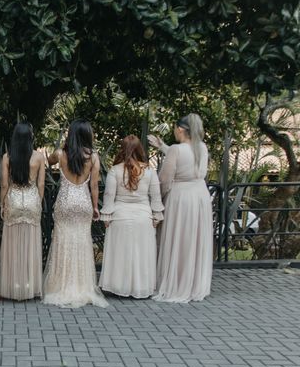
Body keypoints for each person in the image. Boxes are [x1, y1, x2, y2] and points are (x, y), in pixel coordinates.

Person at [43, 119, 108, 308]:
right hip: (83, 201)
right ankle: (82, 286)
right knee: (82, 242)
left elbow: (49, 160)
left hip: (65, 200)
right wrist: (95, 207)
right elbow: (94, 185)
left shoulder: (61, 154)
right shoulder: (94, 157)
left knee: (63, 241)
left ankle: (61, 286)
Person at [149, 113, 213, 302]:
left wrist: (156, 200)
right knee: (193, 239)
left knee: (177, 238)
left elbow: (165, 180)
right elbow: (188, 158)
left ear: (181, 129)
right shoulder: (202, 147)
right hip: (200, 196)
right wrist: (162, 146)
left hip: (181, 198)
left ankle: (174, 281)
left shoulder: (177, 149)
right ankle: (193, 282)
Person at [99, 135, 164, 298]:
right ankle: (140, 287)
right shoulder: (149, 171)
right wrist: (156, 216)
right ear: (140, 149)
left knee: (121, 253)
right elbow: (156, 197)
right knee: (141, 254)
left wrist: (106, 217)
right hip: (143, 217)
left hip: (120, 216)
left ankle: (119, 286)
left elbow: (109, 196)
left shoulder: (115, 170)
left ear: (123, 149)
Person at [0, 123, 45, 300]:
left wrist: (3, 204)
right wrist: (38, 202)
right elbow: (41, 184)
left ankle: (12, 286)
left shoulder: (7, 157)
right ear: (30, 137)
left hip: (14, 200)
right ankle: (30, 286)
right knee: (31, 244)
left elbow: (4, 184)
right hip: (32, 200)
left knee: (13, 245)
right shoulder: (39, 158)